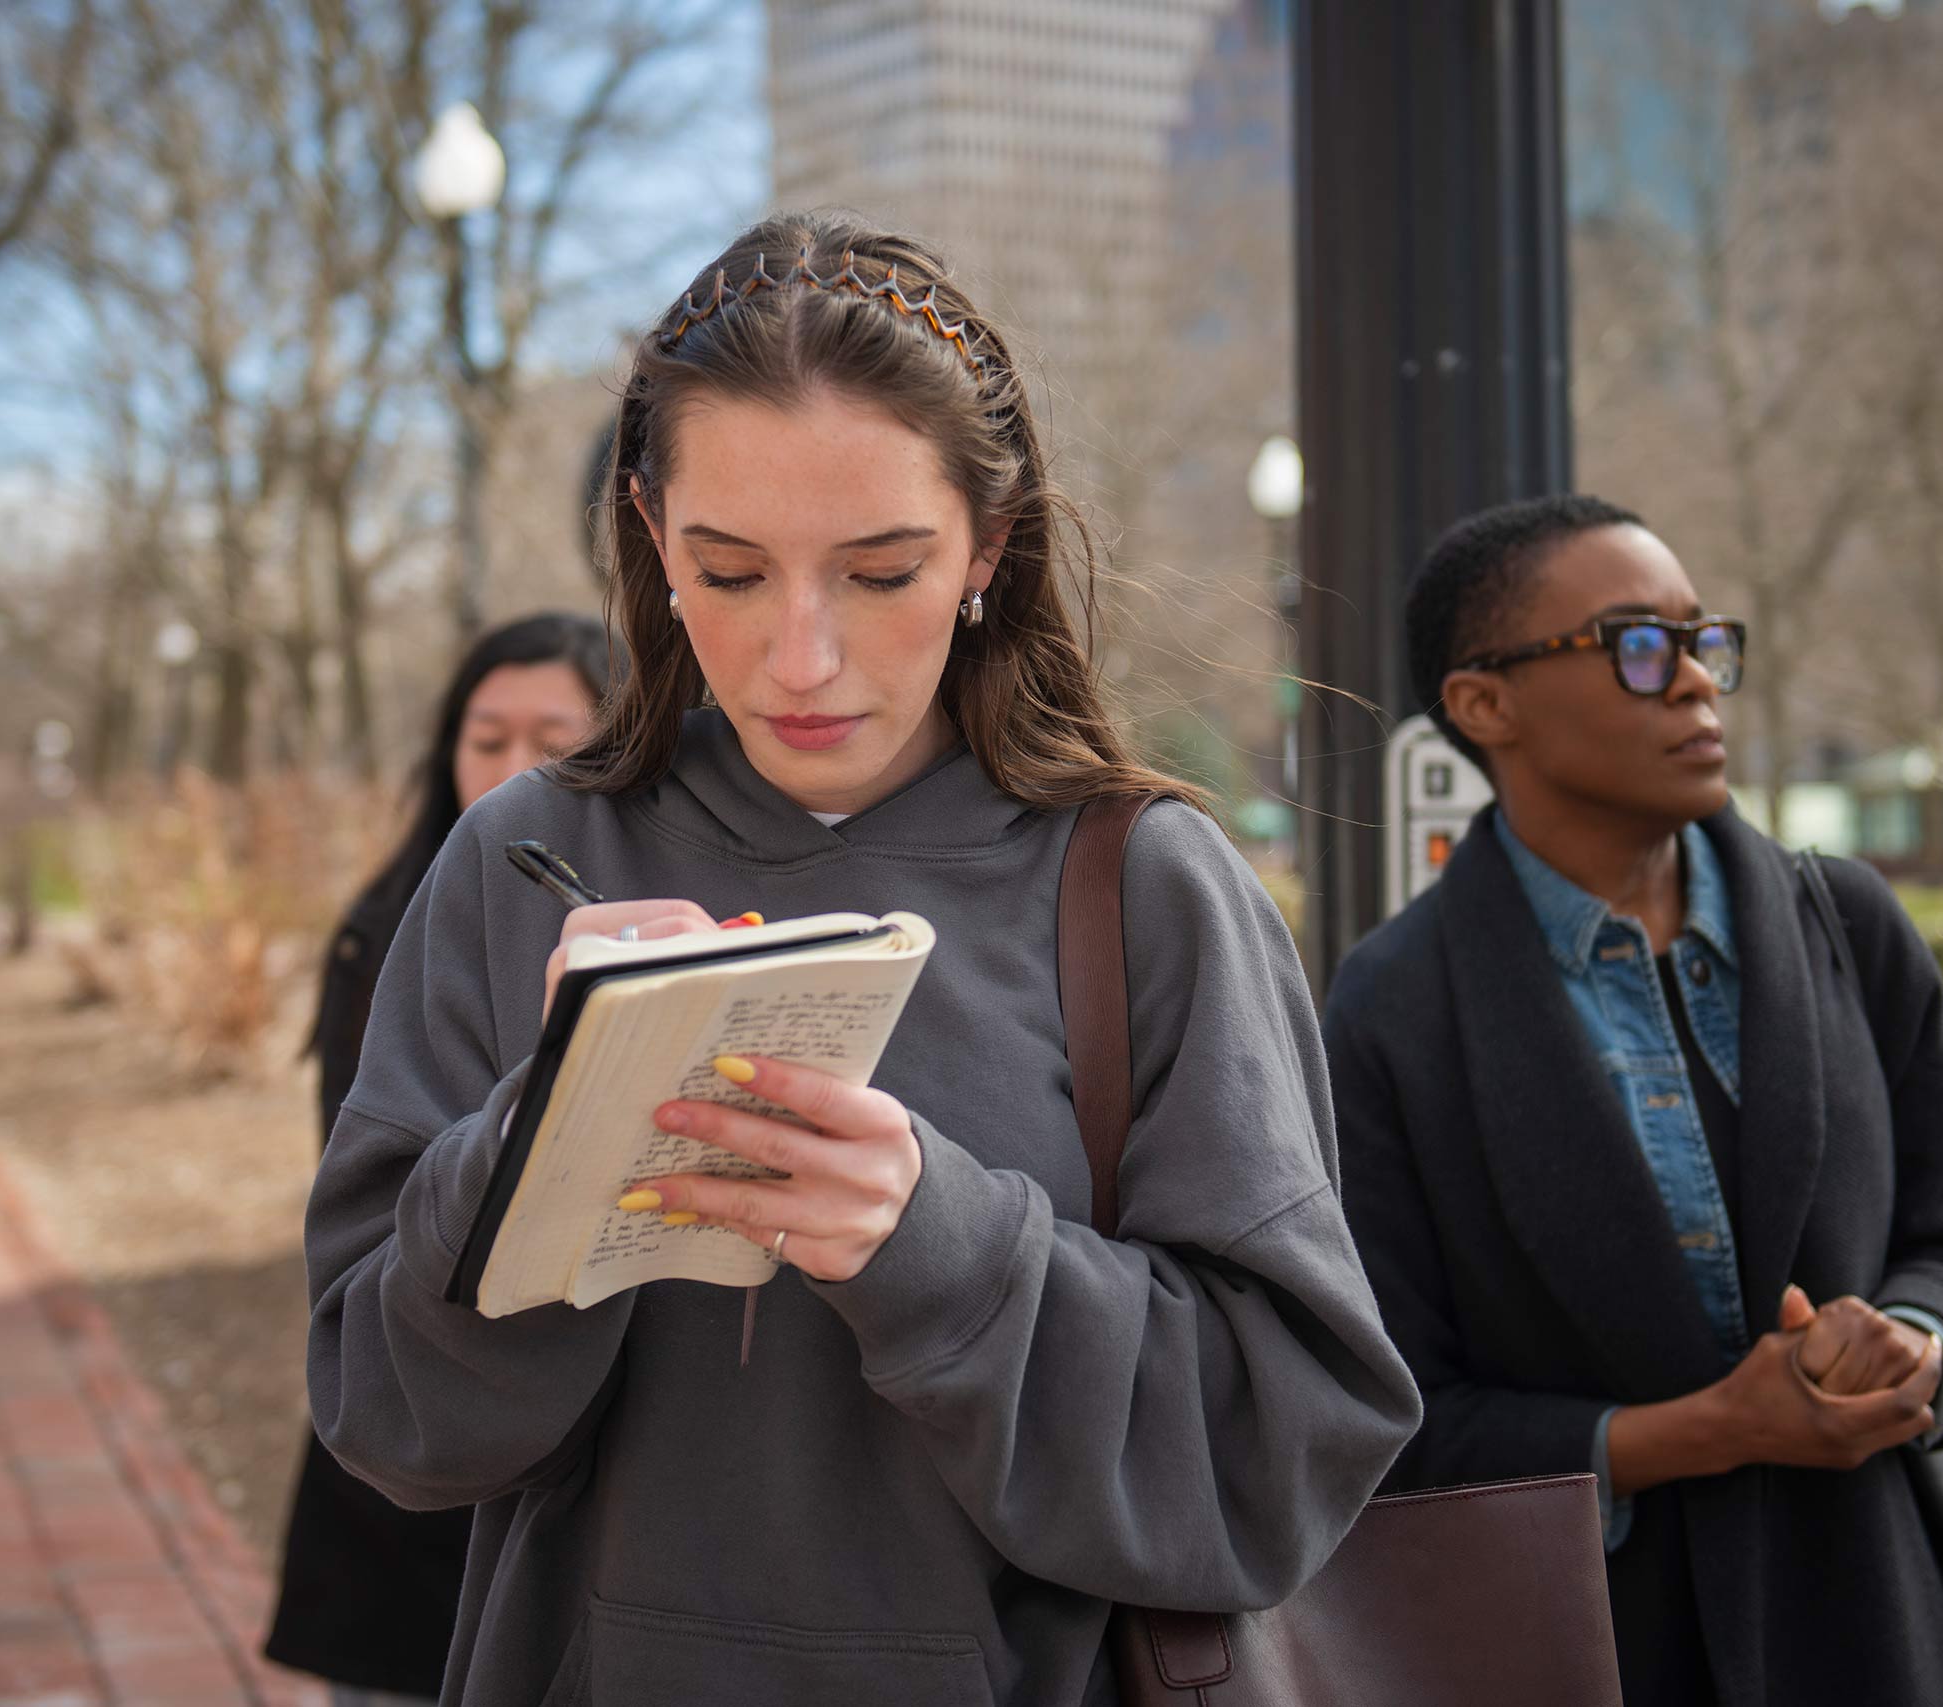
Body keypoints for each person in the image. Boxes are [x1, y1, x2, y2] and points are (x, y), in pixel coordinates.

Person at [301, 212, 1420, 1707]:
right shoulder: (523, 860)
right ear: (650, 540)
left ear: (989, 547)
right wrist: (545, 1129)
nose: (802, 658)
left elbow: (1277, 1466)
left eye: (881, 572)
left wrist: (932, 1239)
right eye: (734, 572)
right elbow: (382, 1416)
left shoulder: (1146, 884)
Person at [1326, 495, 1943, 1707]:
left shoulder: (1848, 926)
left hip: (1884, 1613)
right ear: (1485, 704)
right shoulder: (1388, 1016)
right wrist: (1709, 1428)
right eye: (1640, 646)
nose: (1697, 682)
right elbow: (1394, 1421)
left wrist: (1916, 1347)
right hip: (1599, 1649)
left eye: (1705, 642)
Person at [267, 611, 612, 1706]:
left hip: (577, 1453)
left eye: (552, 736)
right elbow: (362, 1195)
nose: (513, 769)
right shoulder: (387, 925)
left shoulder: (645, 934)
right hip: (413, 1418)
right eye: (486, 736)